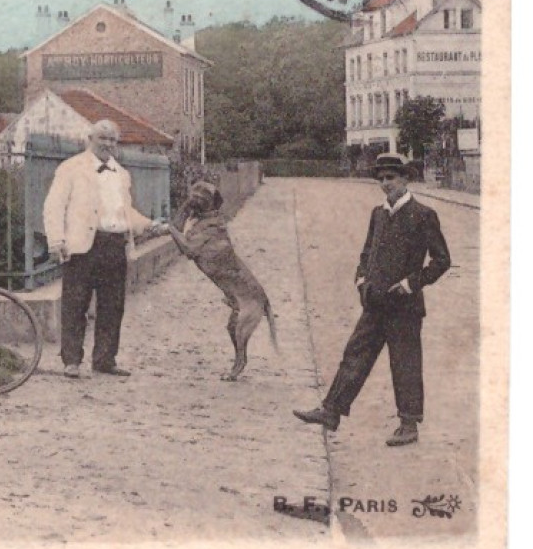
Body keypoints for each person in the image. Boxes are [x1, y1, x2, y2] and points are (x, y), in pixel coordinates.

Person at [294, 153, 451, 447]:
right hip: (375, 302)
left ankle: (409, 424)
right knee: (355, 354)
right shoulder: (378, 214)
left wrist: (410, 284)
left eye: (390, 178)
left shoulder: (424, 215)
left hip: (404, 307)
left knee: (405, 363)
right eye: (380, 179)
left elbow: (442, 260)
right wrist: (361, 279)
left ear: (405, 179)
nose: (385, 184)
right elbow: (367, 253)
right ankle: (331, 411)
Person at [42, 119, 164, 379]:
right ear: (90, 139)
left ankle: (105, 359)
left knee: (112, 305)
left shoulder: (121, 174)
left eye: (113, 140)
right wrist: (56, 240)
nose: (108, 144)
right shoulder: (71, 168)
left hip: (115, 244)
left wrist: (149, 225)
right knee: (75, 304)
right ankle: (71, 361)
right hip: (83, 246)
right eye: (103, 139)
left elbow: (126, 212)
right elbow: (54, 206)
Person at [165, 180, 276, 381]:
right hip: (237, 292)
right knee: (232, 328)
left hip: (249, 296)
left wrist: (169, 228)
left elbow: (189, 249)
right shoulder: (205, 223)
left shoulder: (213, 229)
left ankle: (239, 364)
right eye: (194, 191)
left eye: (203, 194)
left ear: (214, 203)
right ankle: (239, 362)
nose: (197, 195)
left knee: (239, 331)